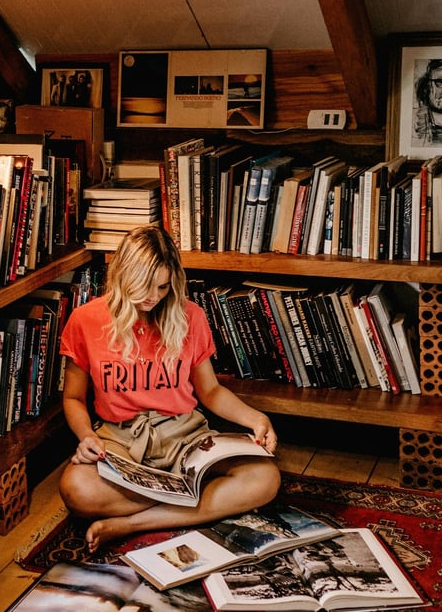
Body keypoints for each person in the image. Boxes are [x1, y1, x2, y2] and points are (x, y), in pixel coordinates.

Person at [58, 225, 281, 552]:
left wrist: (256, 419)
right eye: (142, 287)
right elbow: (73, 397)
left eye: (162, 287)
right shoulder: (85, 320)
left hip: (185, 436)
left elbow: (211, 392)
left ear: (173, 280)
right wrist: (86, 437)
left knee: (265, 478)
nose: (152, 297)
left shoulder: (191, 316)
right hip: (120, 440)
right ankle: (196, 501)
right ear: (122, 277)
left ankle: (130, 524)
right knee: (76, 489)